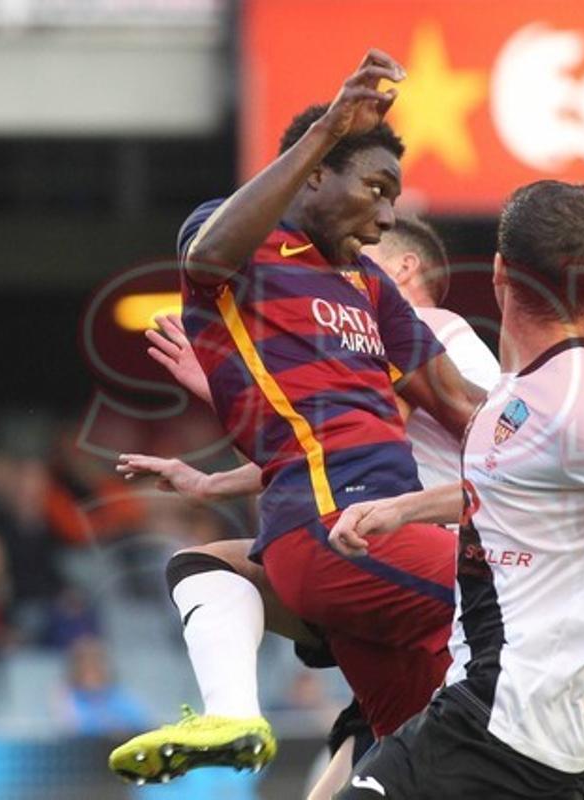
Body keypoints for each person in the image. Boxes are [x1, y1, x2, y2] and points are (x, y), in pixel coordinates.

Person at [113, 220, 584, 795]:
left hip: (448, 589)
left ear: (402, 270)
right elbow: (325, 441)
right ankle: (233, 716)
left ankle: (235, 711)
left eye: (363, 257)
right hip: (385, 573)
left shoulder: (418, 330)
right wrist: (212, 480)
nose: (340, 275)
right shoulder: (375, 348)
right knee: (207, 567)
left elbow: (525, 448)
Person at [108, 49, 488, 785]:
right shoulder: (238, 243)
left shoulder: (368, 283)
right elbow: (210, 253)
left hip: (351, 550)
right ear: (314, 174)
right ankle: (231, 713)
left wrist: (580, 471)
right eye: (375, 190)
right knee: (523, 596)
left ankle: (233, 712)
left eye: (393, 201)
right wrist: (325, 128)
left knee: (408, 761)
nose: (384, 219)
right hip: (342, 529)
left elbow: (462, 409)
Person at [327, 180, 584, 799]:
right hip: (506, 719)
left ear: (498, 271)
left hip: (506, 722)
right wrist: (400, 509)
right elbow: (508, 486)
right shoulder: (524, 382)